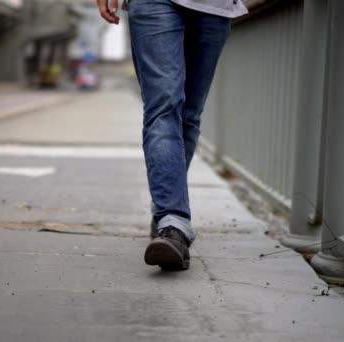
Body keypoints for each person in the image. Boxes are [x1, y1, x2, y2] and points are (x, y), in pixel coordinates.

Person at [97, 0, 247, 270]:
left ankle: (165, 214)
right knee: (164, 107)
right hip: (153, 4)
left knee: (189, 115)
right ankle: (173, 221)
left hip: (214, 6)